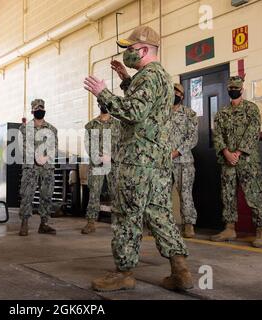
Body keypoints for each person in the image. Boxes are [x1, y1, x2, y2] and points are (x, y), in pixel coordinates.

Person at [84, 26, 193, 292]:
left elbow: (134, 112)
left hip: (137, 162)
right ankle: (180, 270)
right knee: (160, 214)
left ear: (144, 50)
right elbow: (148, 104)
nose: (126, 56)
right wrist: (125, 79)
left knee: (126, 216)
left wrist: (103, 93)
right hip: (157, 162)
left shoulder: (147, 76)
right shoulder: (162, 77)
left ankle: (124, 273)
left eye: (130, 50)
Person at [211, 76, 262, 248]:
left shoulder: (251, 109)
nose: (233, 90)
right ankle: (229, 228)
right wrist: (226, 153)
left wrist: (237, 152)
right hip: (227, 159)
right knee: (228, 194)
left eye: (236, 88)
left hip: (247, 160)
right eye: (231, 88)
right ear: (228, 89)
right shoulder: (222, 112)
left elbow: (252, 132)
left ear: (241, 90)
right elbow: (217, 135)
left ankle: (261, 231)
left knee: (253, 194)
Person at [18, 99, 58, 236]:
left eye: (41, 108)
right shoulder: (24, 129)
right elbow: (22, 147)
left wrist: (46, 158)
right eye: (37, 108)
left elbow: (54, 148)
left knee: (47, 195)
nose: (39, 110)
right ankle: (24, 223)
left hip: (47, 167)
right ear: (32, 111)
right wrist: (36, 157)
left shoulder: (52, 129)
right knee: (27, 195)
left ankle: (44, 223)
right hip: (30, 167)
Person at [82, 105, 120, 234]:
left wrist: (111, 157)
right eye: (101, 102)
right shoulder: (91, 125)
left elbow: (123, 145)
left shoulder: (118, 125)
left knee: (115, 194)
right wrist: (99, 157)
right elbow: (88, 146)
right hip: (97, 165)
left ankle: (117, 223)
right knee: (94, 193)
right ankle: (90, 222)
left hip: (113, 165)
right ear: (98, 105)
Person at [170, 83, 199, 238]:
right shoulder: (162, 114)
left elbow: (192, 138)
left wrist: (176, 152)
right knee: (162, 195)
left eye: (177, 93)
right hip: (164, 163)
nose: (174, 94)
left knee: (186, 194)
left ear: (182, 96)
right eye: (172, 92)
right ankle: (163, 225)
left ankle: (188, 225)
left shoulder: (190, 114)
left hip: (184, 162)